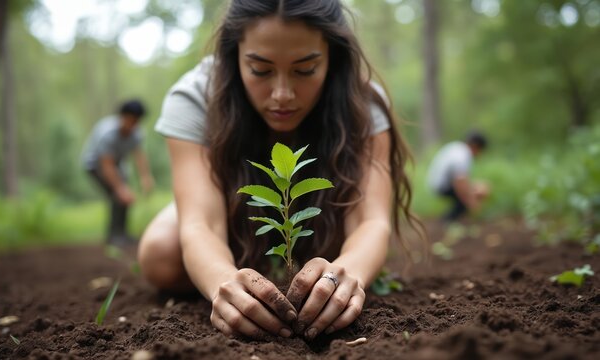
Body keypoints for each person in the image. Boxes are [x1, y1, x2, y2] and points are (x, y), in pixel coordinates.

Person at [138, 0, 421, 341]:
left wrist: (351, 273)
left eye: (305, 70)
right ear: (234, 54)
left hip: (323, 219)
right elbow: (202, 224)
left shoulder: (362, 103)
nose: (283, 94)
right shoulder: (196, 96)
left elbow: (370, 221)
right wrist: (221, 281)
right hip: (228, 213)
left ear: (332, 57)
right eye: (260, 70)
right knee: (161, 252)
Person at [81, 99, 155, 245]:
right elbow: (106, 165)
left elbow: (139, 155)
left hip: (116, 164)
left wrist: (145, 177)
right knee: (117, 195)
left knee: (125, 196)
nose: (132, 125)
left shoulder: (136, 133)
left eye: (136, 121)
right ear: (122, 116)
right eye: (130, 119)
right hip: (95, 165)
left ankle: (123, 234)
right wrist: (120, 189)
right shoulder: (107, 134)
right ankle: (114, 236)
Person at [426, 131, 490, 222]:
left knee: (470, 192)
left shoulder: (458, 148)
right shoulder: (462, 155)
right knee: (465, 198)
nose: (479, 155)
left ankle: (451, 220)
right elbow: (460, 182)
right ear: (475, 146)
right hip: (440, 185)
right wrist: (471, 201)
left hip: (438, 182)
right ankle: (446, 220)